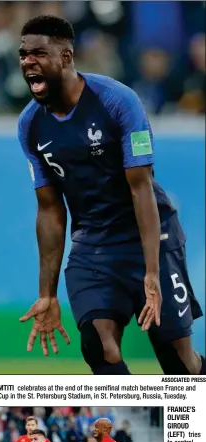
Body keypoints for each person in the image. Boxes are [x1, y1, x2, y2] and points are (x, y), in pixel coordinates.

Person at [17, 15, 204, 376]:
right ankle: (141, 426)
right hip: (94, 247)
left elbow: (141, 187)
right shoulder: (30, 125)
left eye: (39, 53)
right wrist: (48, 293)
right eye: (23, 54)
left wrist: (152, 272)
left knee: (180, 366)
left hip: (152, 237)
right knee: (99, 347)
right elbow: (50, 210)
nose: (28, 62)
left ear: (67, 57)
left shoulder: (117, 102)